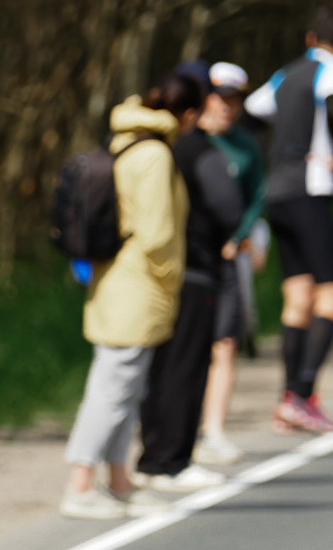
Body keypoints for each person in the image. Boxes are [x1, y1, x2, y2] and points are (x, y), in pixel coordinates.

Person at [62, 70, 194, 518]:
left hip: (112, 281)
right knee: (113, 387)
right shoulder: (155, 154)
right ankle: (81, 485)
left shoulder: (123, 142)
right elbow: (158, 233)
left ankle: (119, 480)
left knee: (125, 385)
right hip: (139, 285)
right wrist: (173, 273)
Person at [244, 7, 333, 433]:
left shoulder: (283, 74)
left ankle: (288, 400)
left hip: (277, 190)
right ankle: (303, 394)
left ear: (310, 38)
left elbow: (253, 116)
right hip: (311, 188)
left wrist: (273, 159)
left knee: (298, 295)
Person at [137, 65, 250, 492]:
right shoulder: (197, 150)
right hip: (195, 269)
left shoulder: (157, 148)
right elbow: (230, 208)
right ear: (192, 110)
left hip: (163, 271)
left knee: (163, 366)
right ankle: (169, 461)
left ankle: (156, 455)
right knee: (186, 366)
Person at [196, 61, 264, 468]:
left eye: (233, 100)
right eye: (220, 98)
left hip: (226, 259)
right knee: (188, 348)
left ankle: (214, 430)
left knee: (226, 344)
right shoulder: (190, 143)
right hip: (189, 260)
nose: (226, 106)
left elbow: (256, 196)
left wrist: (239, 238)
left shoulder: (245, 146)